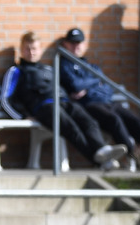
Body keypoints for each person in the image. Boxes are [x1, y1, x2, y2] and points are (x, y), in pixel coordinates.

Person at [10, 31, 128, 170]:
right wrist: (22, 116)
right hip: (44, 107)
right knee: (70, 128)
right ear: (21, 50)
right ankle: (99, 161)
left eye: (34, 48)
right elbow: (6, 99)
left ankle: (102, 150)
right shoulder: (16, 71)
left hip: (64, 102)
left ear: (40, 50)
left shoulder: (48, 69)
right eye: (27, 49)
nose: (31, 52)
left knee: (89, 121)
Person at [58, 27, 140, 167]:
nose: (76, 46)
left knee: (139, 123)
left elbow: (108, 89)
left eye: (79, 43)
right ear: (65, 44)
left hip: (107, 103)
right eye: (72, 43)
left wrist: (87, 87)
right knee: (114, 121)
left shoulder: (91, 66)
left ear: (84, 44)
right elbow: (75, 85)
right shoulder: (64, 65)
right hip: (89, 106)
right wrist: (96, 81)